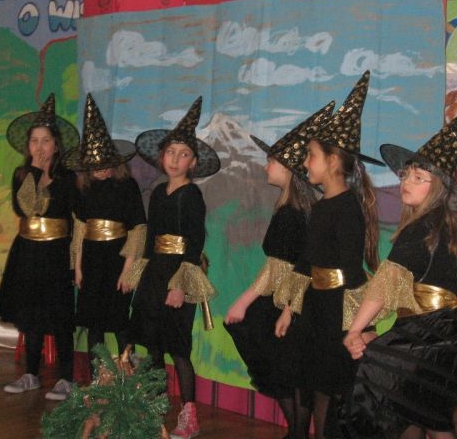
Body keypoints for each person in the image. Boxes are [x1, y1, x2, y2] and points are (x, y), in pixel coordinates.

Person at [342, 104, 457, 439]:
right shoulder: (438, 225)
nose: (406, 182)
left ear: (437, 187)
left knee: (389, 394)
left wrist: (355, 330)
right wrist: (373, 332)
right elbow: (404, 293)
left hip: (433, 339)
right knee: (416, 412)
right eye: (405, 175)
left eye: (418, 177)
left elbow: (385, 285)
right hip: (442, 337)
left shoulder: (421, 229)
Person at [274, 71, 384, 438]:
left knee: (331, 391)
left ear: (333, 161)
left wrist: (361, 328)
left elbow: (352, 271)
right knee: (313, 385)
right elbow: (307, 262)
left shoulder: (348, 208)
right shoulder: (320, 206)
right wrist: (290, 308)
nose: (305, 162)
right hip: (315, 310)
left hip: (336, 313)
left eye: (311, 155)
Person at [223, 102, 334, 438]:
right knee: (289, 372)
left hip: (289, 301)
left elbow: (278, 267)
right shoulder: (292, 208)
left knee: (289, 370)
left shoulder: (292, 214)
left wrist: (244, 301)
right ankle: (295, 431)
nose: (266, 165)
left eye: (271, 160)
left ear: (287, 169)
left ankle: (297, 432)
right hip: (290, 299)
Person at [122, 96, 219, 439]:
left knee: (178, 349)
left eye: (184, 154)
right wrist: (137, 274)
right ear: (162, 157)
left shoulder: (191, 196)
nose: (175, 160)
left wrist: (179, 285)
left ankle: (189, 415)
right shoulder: (159, 192)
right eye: (170, 153)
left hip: (180, 273)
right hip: (155, 274)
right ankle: (156, 407)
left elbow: (194, 243)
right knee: (153, 344)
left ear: (193, 162)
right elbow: (151, 239)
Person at [0, 93, 80, 401]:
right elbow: (27, 208)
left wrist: (76, 262)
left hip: (56, 252)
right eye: (34, 141)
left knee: (59, 315)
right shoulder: (22, 175)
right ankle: (30, 374)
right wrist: (33, 171)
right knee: (30, 314)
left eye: (45, 141)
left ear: (56, 145)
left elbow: (76, 221)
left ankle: (66, 378)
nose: (39, 147)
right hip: (28, 251)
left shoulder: (68, 178)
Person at [67, 93, 146, 367]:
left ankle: (127, 376)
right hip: (91, 259)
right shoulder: (83, 188)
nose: (101, 170)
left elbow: (137, 229)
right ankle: (97, 376)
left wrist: (128, 270)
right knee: (93, 323)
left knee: (119, 320)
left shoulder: (127, 186)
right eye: (95, 165)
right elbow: (79, 229)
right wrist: (77, 268)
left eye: (105, 163)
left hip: (117, 259)